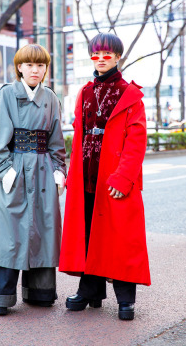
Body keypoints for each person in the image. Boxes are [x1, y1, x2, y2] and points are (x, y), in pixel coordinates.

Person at [59, 32, 151, 320]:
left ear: (117, 57)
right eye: (96, 55)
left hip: (114, 178)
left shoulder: (131, 95)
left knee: (121, 238)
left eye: (107, 55)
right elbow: (78, 136)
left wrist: (123, 178)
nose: (100, 60)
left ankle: (126, 298)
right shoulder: (85, 92)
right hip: (87, 174)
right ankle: (90, 290)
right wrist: (72, 174)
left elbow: (136, 142)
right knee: (88, 233)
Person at [0, 43, 66, 316]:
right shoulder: (6, 95)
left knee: (43, 229)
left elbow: (56, 141)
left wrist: (59, 169)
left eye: (40, 65)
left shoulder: (50, 97)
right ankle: (0, 296)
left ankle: (40, 291)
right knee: (8, 233)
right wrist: (5, 171)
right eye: (29, 65)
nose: (35, 70)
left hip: (42, 170)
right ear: (19, 67)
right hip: (14, 169)